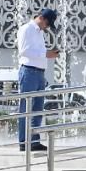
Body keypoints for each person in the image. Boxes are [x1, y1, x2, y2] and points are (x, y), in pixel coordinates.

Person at [16, 8, 59, 151]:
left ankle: (34, 141)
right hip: (28, 71)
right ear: (42, 18)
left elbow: (37, 53)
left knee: (37, 109)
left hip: (39, 73)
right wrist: (46, 54)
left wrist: (47, 54)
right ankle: (23, 141)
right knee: (26, 108)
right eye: (48, 24)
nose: (47, 27)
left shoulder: (39, 32)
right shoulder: (26, 29)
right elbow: (24, 51)